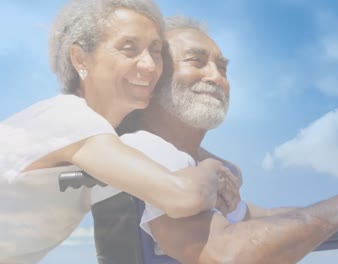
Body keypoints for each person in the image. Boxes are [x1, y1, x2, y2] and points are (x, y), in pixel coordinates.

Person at [106, 16, 338, 264]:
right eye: (196, 61)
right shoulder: (149, 150)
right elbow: (225, 254)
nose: (217, 78)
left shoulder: (194, 164)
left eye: (222, 67)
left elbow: (260, 219)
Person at [0, 2, 238, 263]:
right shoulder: (71, 119)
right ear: (80, 59)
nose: (149, 65)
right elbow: (182, 196)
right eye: (129, 49)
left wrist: (225, 169)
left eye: (156, 51)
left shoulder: (103, 138)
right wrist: (214, 170)